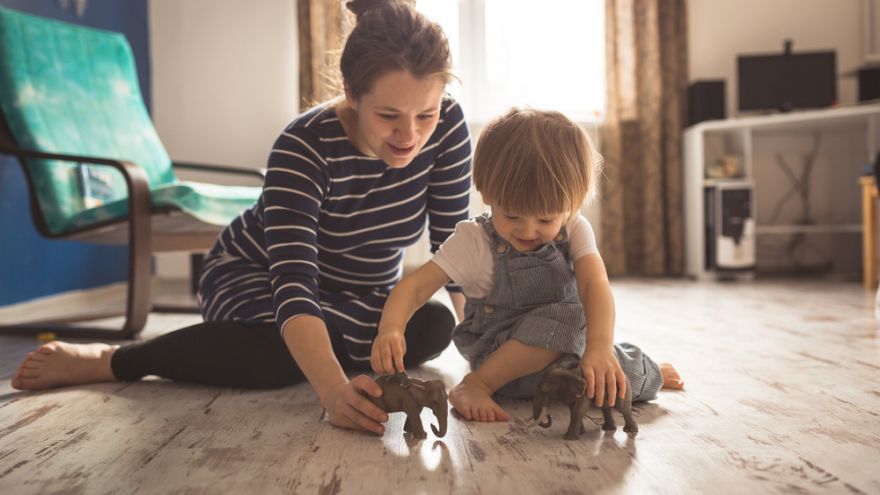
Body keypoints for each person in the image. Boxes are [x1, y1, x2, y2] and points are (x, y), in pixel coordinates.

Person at [11, 0, 472, 436]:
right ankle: (115, 359)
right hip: (256, 276)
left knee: (433, 324)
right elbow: (292, 284)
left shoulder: (448, 127)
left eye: (425, 114)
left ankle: (324, 348)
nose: (410, 135)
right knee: (279, 353)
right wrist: (331, 391)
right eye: (389, 115)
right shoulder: (303, 145)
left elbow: (452, 253)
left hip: (360, 293)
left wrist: (479, 363)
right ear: (352, 93)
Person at [371, 108, 684, 422]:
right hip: (497, 361)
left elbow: (595, 284)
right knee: (572, 314)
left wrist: (600, 348)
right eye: (512, 216)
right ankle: (475, 386)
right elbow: (414, 287)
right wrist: (391, 329)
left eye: (546, 218)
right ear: (486, 192)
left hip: (559, 358)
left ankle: (647, 368)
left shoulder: (574, 228)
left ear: (572, 204)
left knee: (623, 377)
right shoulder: (474, 240)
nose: (528, 230)